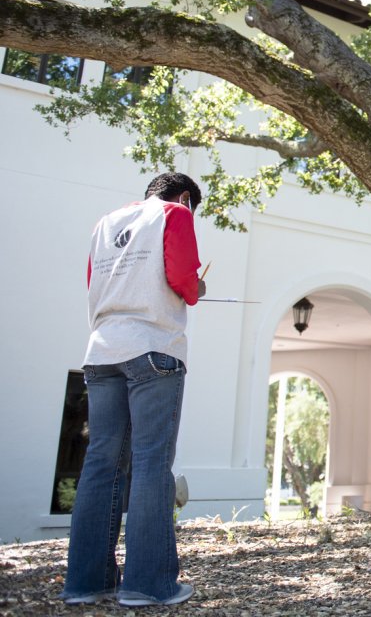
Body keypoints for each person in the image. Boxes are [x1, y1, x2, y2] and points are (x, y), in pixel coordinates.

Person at [60, 172, 206, 607]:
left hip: (102, 350)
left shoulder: (105, 223)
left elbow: (95, 283)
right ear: (184, 197)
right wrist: (196, 288)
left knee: (100, 465)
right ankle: (149, 584)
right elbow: (182, 278)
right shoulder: (175, 213)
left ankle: (86, 583)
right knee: (150, 465)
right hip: (152, 347)